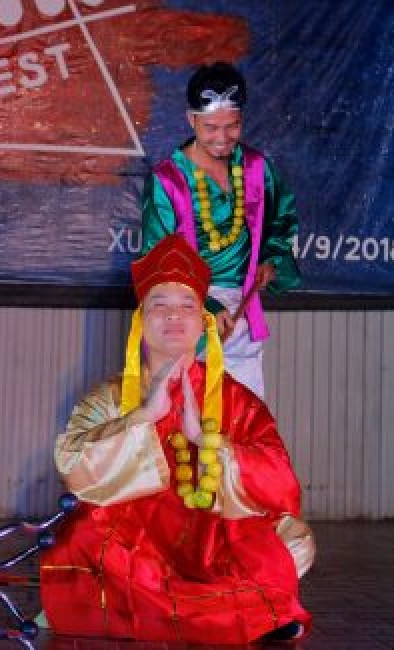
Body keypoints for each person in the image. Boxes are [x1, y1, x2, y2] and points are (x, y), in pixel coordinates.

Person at [40, 234, 314, 644]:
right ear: (140, 320)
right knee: (83, 538)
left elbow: (282, 484)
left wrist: (206, 440)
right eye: (159, 305)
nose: (173, 315)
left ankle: (173, 610)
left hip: (210, 542)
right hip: (137, 548)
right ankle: (251, 612)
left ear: (204, 321)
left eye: (187, 305)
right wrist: (143, 417)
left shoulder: (237, 401)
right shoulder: (109, 397)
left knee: (292, 541)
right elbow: (72, 466)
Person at [141, 61, 301, 398]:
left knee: (244, 412)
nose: (222, 138)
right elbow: (158, 261)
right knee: (184, 413)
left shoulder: (255, 167)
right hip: (186, 313)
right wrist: (207, 308)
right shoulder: (168, 180)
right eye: (211, 127)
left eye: (232, 126)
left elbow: (281, 218)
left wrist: (270, 258)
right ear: (191, 120)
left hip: (242, 306)